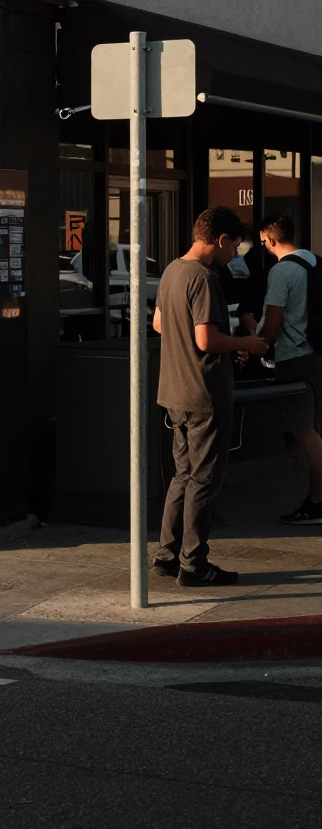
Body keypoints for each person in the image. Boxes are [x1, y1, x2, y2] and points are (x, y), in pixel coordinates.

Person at [152, 208, 268, 586]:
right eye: (234, 246)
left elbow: (159, 322)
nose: (235, 254)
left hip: (174, 389)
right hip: (204, 392)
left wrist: (204, 345)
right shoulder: (204, 278)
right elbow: (206, 339)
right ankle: (194, 564)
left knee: (182, 476)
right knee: (204, 480)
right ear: (220, 240)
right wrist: (246, 343)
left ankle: (166, 554)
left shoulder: (172, 270)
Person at [256, 214, 322, 524]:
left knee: (304, 431)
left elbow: (272, 323)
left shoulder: (281, 271)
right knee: (316, 429)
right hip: (318, 353)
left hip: (295, 358)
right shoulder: (316, 263)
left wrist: (256, 345)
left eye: (262, 242)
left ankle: (317, 502)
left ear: (270, 239)